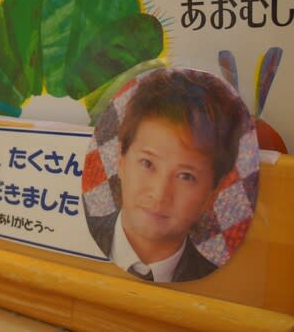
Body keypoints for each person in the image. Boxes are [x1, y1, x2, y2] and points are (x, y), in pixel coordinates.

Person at [86, 68, 246, 282]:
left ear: (213, 193)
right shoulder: (77, 236)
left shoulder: (214, 281)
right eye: (147, 163)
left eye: (185, 176)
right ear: (121, 160)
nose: (160, 194)